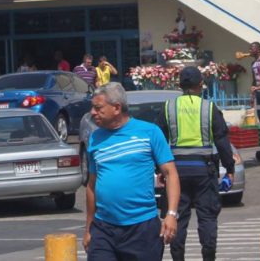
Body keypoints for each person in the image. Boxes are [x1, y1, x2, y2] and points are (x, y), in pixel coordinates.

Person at [85, 82, 180, 261]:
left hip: (142, 229)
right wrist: (89, 229)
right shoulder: (95, 138)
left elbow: (170, 174)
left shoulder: (149, 132)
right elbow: (91, 186)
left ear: (116, 108)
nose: (92, 112)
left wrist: (171, 214)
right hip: (103, 228)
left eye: (98, 108)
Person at [156, 66, 234, 261]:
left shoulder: (168, 107)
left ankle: (178, 258)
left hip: (176, 173)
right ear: (200, 85)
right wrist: (229, 169)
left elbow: (158, 141)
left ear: (180, 85)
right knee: (207, 217)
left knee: (177, 218)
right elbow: (222, 141)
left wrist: (159, 169)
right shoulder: (209, 108)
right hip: (204, 171)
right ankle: (208, 256)